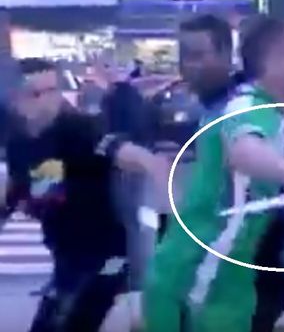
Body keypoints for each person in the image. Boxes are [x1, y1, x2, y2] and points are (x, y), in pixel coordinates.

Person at [143, 18, 284, 332]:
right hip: (196, 282)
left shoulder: (271, 113)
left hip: (222, 280)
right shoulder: (247, 106)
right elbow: (244, 151)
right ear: (276, 61)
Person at [1, 58, 170, 332]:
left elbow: (120, 150)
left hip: (105, 255)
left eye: (53, 90)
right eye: (36, 93)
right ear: (16, 99)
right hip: (68, 255)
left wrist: (150, 164)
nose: (49, 101)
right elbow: (20, 187)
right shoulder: (19, 142)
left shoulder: (78, 129)